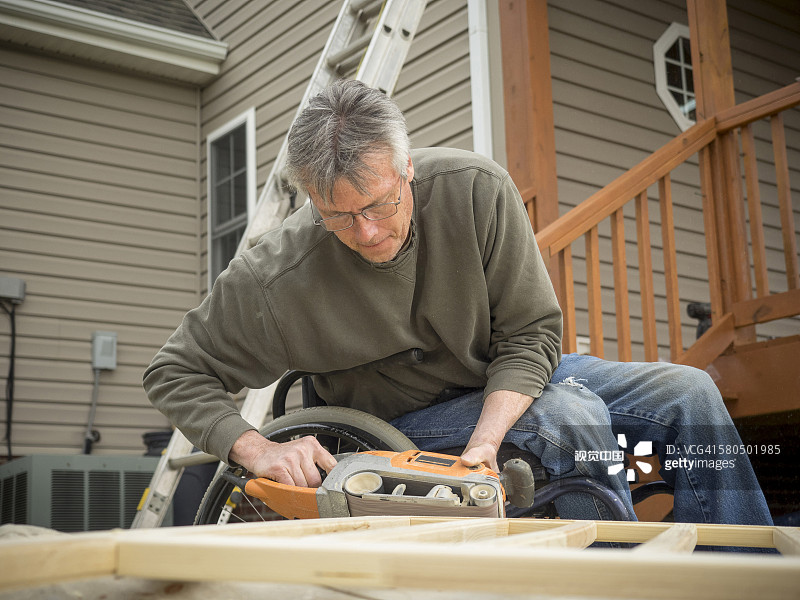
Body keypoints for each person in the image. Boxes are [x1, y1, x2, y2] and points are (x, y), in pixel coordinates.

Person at [143, 80, 772, 530]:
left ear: (407, 169)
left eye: (380, 204)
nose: (366, 231)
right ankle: (610, 580)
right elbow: (173, 371)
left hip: (502, 381)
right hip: (397, 422)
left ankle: (743, 579)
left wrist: (487, 440)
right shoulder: (275, 277)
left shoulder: (475, 192)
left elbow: (531, 333)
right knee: (567, 417)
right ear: (311, 199)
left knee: (690, 394)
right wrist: (256, 448)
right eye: (339, 216)